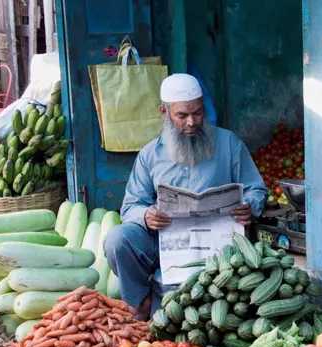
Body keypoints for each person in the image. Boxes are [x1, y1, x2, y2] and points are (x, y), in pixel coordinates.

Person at [104, 74, 267, 321]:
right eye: (182, 116)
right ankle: (140, 302)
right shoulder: (150, 155)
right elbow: (131, 206)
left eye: (198, 113)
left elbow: (256, 189)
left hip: (219, 245)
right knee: (118, 239)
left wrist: (250, 206)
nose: (192, 122)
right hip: (167, 243)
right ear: (164, 112)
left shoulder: (229, 144)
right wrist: (146, 215)